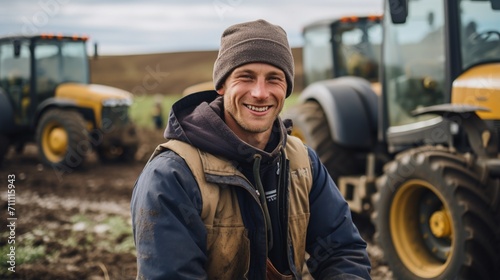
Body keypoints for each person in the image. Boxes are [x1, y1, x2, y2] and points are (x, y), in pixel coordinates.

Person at [131, 19, 371, 280]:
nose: (260, 93)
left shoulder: (303, 162)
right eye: (246, 77)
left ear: (287, 89)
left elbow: (343, 251)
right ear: (222, 86)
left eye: (273, 79)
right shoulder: (172, 176)